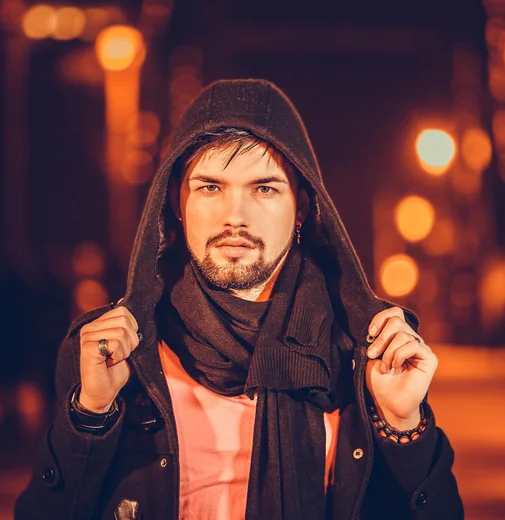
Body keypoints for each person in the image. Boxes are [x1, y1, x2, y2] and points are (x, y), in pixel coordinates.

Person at [16, 79, 463, 520]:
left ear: (302, 207)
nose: (235, 216)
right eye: (210, 187)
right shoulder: (120, 352)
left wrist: (403, 427)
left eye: (264, 189)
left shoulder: (360, 355)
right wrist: (90, 417)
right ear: (176, 202)